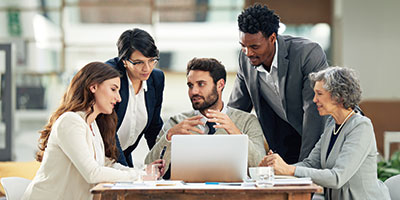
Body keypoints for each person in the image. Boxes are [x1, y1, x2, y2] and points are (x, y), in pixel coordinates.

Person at [22, 62, 164, 200]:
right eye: (113, 89)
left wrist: (144, 171)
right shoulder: (70, 122)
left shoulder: (93, 125)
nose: (119, 98)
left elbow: (107, 165)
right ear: (94, 87)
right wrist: (139, 176)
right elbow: (93, 173)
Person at [259, 67, 390, 200]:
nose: (314, 99)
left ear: (338, 96)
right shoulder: (331, 125)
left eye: (319, 94)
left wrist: (289, 170)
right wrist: (276, 168)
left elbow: (337, 177)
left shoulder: (361, 126)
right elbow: (311, 164)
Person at [228, 4, 328, 164]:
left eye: (254, 47)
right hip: (285, 140)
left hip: (321, 135)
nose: (248, 53)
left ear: (272, 38)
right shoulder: (245, 60)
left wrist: (305, 167)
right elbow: (236, 112)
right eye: (243, 46)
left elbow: (314, 113)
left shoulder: (307, 54)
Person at [145, 58, 266, 178]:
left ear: (220, 85)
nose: (194, 91)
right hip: (186, 194)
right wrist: (169, 137)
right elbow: (149, 167)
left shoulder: (247, 121)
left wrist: (237, 134)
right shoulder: (177, 122)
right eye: (190, 85)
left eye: (201, 84)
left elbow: (261, 168)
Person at [105, 28, 165, 167]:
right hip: (102, 155)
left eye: (151, 61)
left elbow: (154, 128)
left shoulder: (156, 79)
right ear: (124, 61)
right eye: (139, 62)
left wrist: (165, 166)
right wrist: (128, 172)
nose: (147, 68)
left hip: (124, 154)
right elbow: (108, 132)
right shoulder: (110, 76)